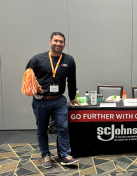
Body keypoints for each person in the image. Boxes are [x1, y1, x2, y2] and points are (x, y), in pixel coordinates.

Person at [26, 32, 80, 168]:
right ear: (50, 41)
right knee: (42, 129)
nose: (58, 44)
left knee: (63, 128)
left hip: (59, 100)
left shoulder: (69, 60)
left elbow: (72, 80)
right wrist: (34, 87)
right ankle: (45, 155)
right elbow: (27, 77)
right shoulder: (37, 59)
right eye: (55, 41)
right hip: (41, 100)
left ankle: (65, 156)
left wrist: (73, 98)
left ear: (64, 44)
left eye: (61, 42)